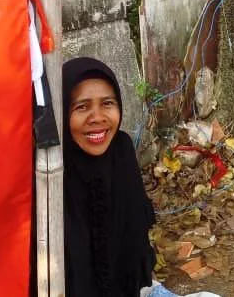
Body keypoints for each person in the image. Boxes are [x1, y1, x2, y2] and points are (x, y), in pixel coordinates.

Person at [62, 57, 156, 297]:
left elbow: (134, 239)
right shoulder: (51, 170)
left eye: (107, 103)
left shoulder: (121, 150)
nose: (97, 117)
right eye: (82, 107)